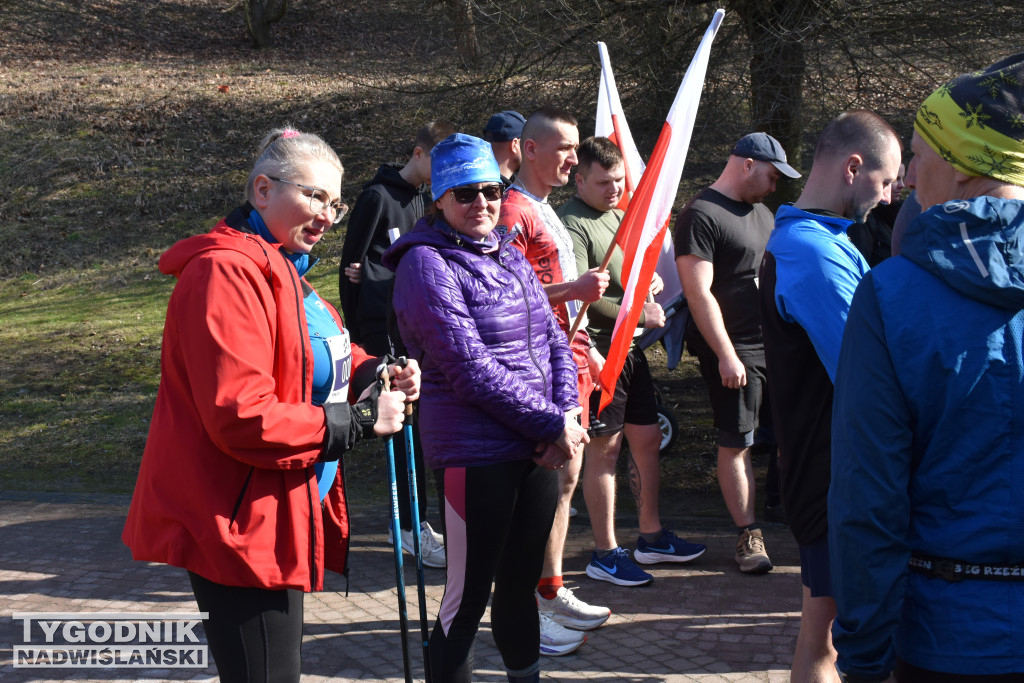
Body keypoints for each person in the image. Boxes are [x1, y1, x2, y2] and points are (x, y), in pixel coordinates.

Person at [122, 128, 419, 683]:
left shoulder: (284, 267)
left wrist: (375, 370)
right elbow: (241, 415)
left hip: (278, 507)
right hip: (237, 520)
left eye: (335, 202)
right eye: (313, 196)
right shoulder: (226, 273)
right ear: (262, 190)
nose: (328, 215)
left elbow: (320, 349)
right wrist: (357, 421)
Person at [830, 53, 1024, 683]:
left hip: (950, 634)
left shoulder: (891, 295)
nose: (908, 175)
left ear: (965, 164)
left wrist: (863, 654)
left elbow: (868, 495)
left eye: (918, 152)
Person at [383, 133, 589, 683]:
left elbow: (554, 342)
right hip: (474, 453)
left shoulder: (510, 253)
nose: (482, 205)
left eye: (492, 191)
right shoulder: (425, 265)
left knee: (520, 588)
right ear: (441, 202)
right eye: (466, 194)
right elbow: (469, 368)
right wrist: (551, 423)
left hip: (536, 447)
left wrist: (563, 417)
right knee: (466, 598)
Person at [758, 110, 902, 683]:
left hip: (829, 467)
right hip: (833, 473)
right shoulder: (810, 251)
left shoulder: (818, 241)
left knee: (822, 636)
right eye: (885, 180)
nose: (890, 196)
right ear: (852, 166)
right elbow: (865, 370)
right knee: (826, 640)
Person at [561, 136, 708, 590]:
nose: (614, 189)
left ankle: (650, 536)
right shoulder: (572, 223)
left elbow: (625, 283)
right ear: (579, 178)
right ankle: (605, 552)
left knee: (645, 438)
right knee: (604, 450)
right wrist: (636, 310)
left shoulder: (620, 215)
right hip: (598, 352)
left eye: (620, 181)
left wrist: (646, 292)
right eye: (604, 182)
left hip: (632, 350)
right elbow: (582, 299)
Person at [498, 107, 611, 651]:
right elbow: (499, 302)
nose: (574, 157)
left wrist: (582, 342)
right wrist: (574, 291)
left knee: (565, 483)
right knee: (538, 489)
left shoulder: (545, 209)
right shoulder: (509, 212)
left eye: (575, 147)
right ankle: (523, 608)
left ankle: (551, 587)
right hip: (536, 369)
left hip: (567, 362)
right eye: (565, 147)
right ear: (530, 150)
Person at [675, 131, 800, 575]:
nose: (774, 185)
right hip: (736, 351)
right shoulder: (701, 215)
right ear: (747, 164)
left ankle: (805, 525)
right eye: (770, 175)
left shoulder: (764, 213)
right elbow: (698, 293)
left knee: (794, 435)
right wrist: (726, 353)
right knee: (737, 440)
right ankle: (748, 534)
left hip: (776, 346)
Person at [338, 119, 454, 568]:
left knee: (419, 432)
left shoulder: (426, 201)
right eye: (437, 163)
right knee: (401, 428)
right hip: (377, 339)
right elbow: (352, 269)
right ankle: (405, 526)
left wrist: (373, 274)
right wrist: (359, 334)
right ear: (419, 154)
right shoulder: (376, 197)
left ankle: (416, 522)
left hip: (413, 332)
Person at [846, 162, 906, 266]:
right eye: (896, 179)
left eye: (902, 178)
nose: (902, 185)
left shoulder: (898, 216)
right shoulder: (863, 220)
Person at [483, 110, 526, 188]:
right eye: (526, 143)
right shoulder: (498, 194)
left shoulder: (473, 185)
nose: (530, 150)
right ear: (514, 145)